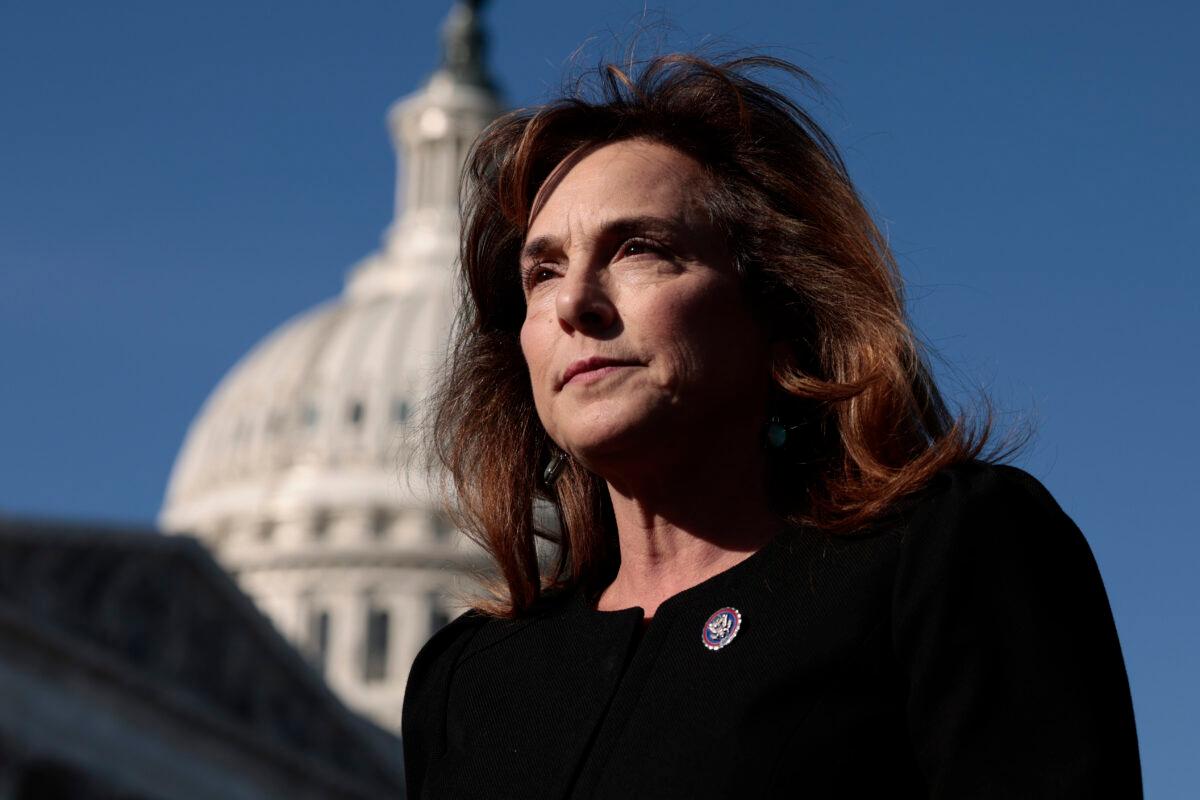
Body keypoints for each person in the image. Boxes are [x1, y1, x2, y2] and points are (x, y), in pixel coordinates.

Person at [403, 54, 1141, 798]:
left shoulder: (944, 554)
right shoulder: (469, 679)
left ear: (780, 310)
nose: (574, 304)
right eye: (543, 273)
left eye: (640, 250)